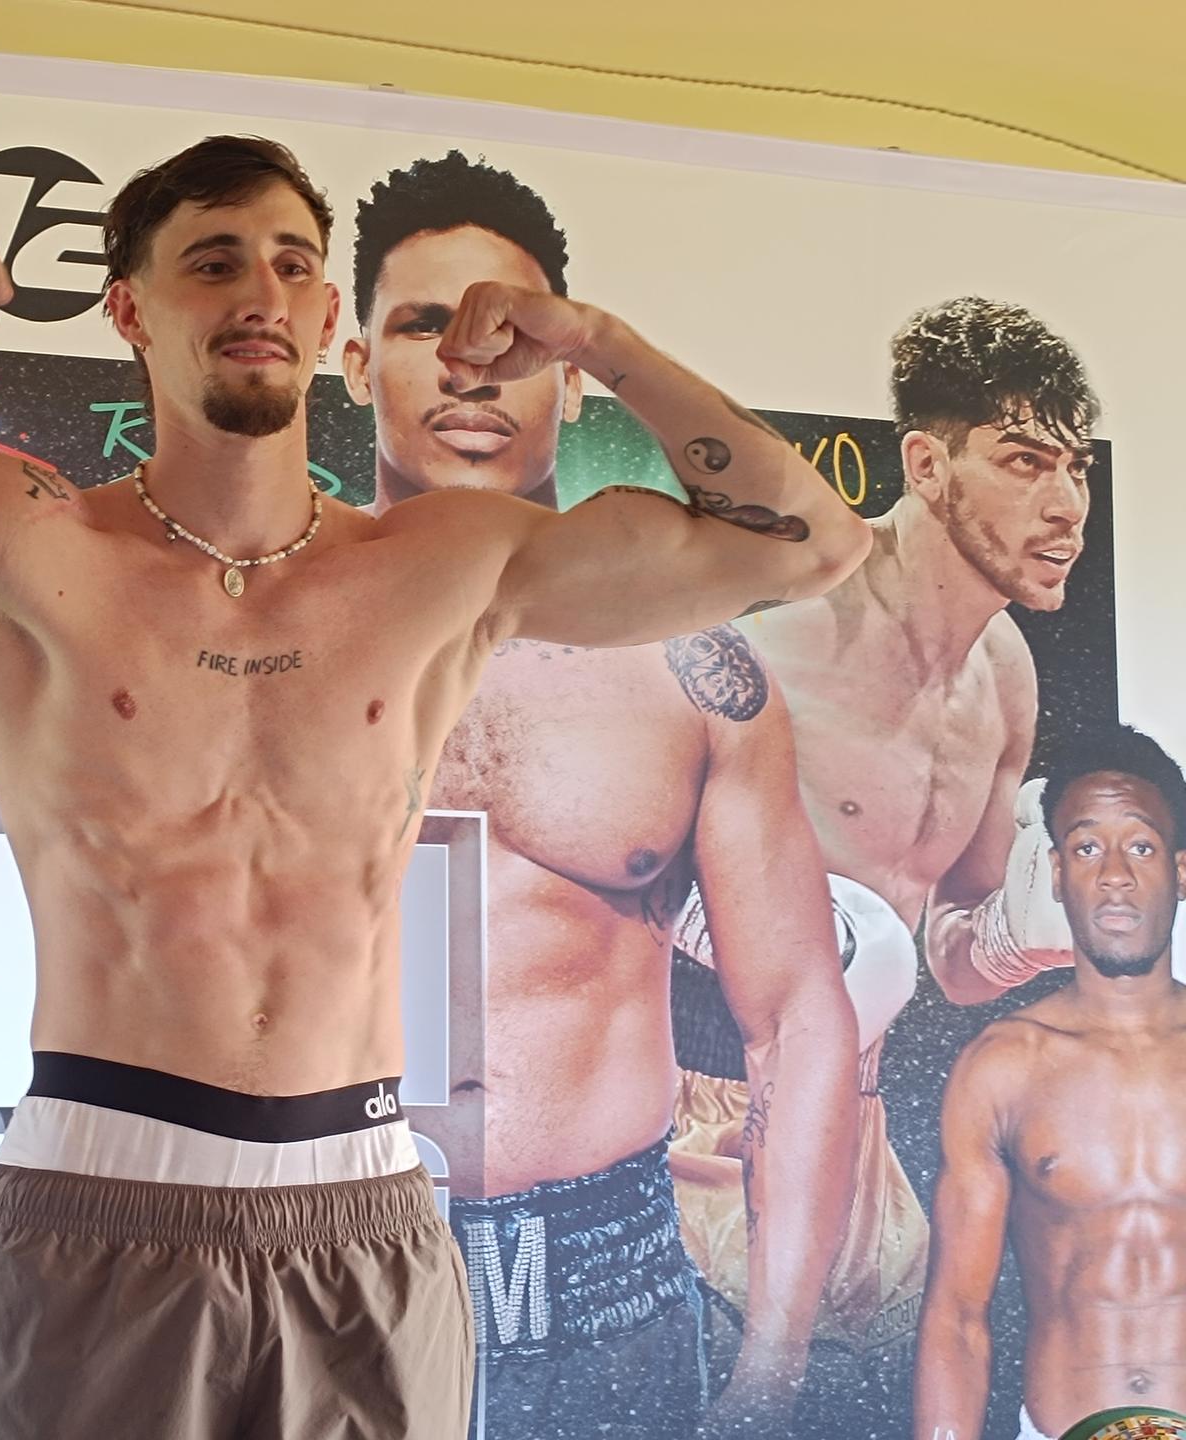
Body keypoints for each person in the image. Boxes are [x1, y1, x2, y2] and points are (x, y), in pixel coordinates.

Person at [0, 133, 871, 1438]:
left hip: (362, 1210)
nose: (260, 294)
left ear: (327, 316)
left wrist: (596, 342)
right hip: (100, 1194)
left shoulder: (447, 559)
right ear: (128, 306)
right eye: (215, 261)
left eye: (294, 265)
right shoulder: (15, 533)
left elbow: (810, 541)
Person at [341, 150, 859, 1438]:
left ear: (573, 380)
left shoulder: (690, 668)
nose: (470, 365)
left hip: (613, 1305)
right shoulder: (271, 641)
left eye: (514, 336)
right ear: (356, 367)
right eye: (423, 328)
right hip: (328, 1274)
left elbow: (798, 1013)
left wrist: (773, 1375)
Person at [664, 296, 1101, 1399]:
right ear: (927, 462)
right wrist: (722, 925)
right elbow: (609, 874)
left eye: (1079, 470)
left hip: (856, 1133)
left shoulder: (1006, 678)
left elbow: (941, 952)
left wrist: (1017, 940)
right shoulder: (774, 630)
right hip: (695, 1119)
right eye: (1024, 462)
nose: (1066, 508)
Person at [915, 724, 1186, 1440]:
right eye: (1088, 847)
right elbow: (956, 1320)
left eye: (1142, 845)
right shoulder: (1004, 1065)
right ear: (1058, 873)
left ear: (1182, 872)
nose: (1116, 874)